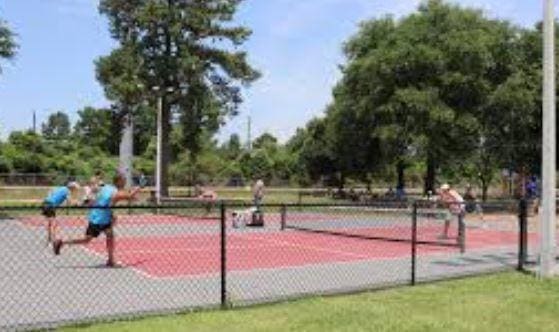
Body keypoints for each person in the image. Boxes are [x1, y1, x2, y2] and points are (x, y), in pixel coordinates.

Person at [52, 173, 140, 267]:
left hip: (100, 216)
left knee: (110, 235)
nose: (125, 183)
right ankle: (62, 242)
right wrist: (139, 188)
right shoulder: (115, 192)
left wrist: (112, 212)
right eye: (124, 181)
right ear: (118, 181)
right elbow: (130, 197)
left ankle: (110, 260)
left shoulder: (106, 187)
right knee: (87, 240)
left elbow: (110, 198)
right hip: (100, 219)